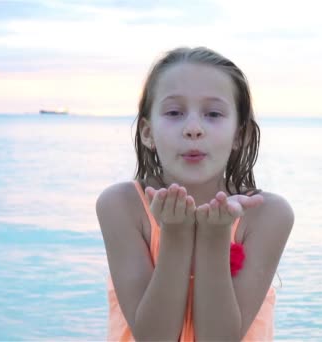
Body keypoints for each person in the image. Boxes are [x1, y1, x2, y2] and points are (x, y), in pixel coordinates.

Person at [96, 46, 294, 341]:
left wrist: (216, 236)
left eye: (213, 114)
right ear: (147, 133)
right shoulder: (121, 206)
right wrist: (174, 234)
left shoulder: (266, 214)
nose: (193, 129)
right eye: (174, 113)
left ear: (239, 135)